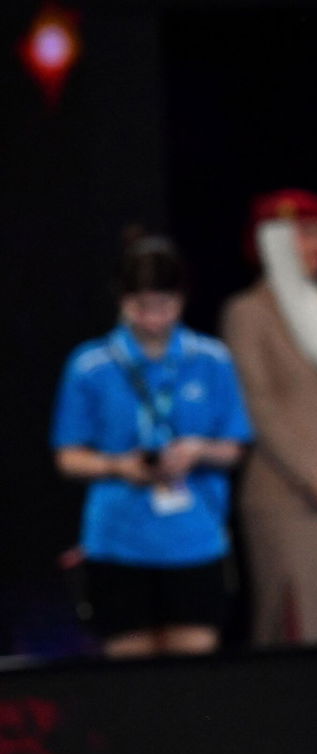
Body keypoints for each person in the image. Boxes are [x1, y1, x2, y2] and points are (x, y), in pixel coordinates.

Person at [50, 231, 254, 659]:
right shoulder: (91, 364)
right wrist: (121, 467)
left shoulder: (212, 359)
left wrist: (198, 450)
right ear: (121, 300)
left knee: (193, 676)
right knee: (131, 678)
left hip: (195, 539)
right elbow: (68, 456)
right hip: (119, 541)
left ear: (181, 299)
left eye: (164, 305)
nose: (153, 319)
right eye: (140, 306)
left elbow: (235, 447)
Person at [220, 188, 317, 648]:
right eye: (308, 234)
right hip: (286, 497)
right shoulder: (248, 313)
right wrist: (314, 478)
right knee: (293, 625)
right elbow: (259, 403)